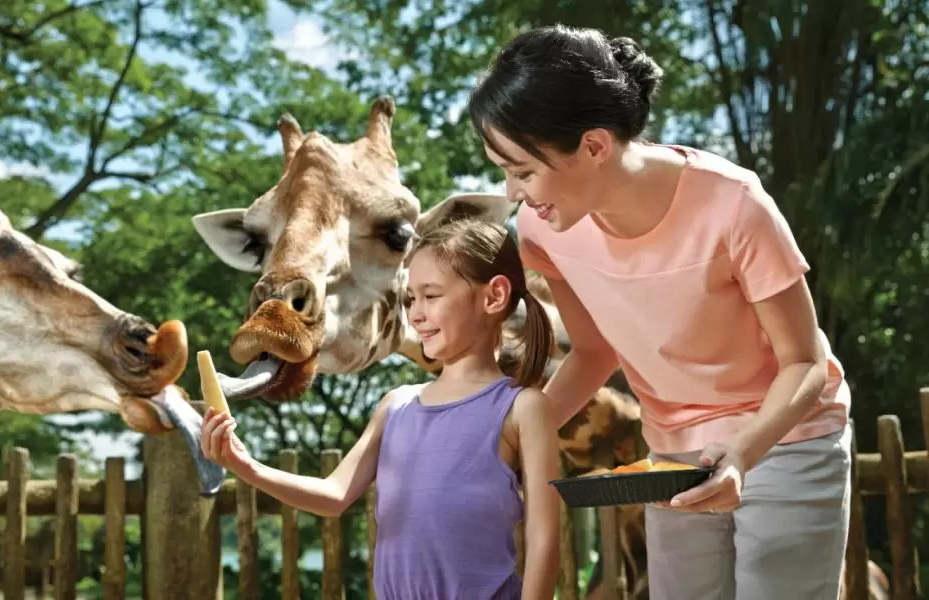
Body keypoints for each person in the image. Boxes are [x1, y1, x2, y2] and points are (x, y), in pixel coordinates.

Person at [467, 25, 852, 600]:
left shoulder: (735, 205)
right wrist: (506, 437)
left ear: (594, 146)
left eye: (523, 170)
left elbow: (804, 361)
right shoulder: (543, 231)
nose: (513, 191)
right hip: (671, 450)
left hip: (787, 436)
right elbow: (596, 353)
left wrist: (743, 453)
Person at [200, 219, 563, 599]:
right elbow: (334, 494)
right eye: (410, 299)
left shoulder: (523, 408)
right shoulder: (397, 405)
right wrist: (246, 466)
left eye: (432, 295)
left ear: (493, 296)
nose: (416, 314)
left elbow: (544, 539)